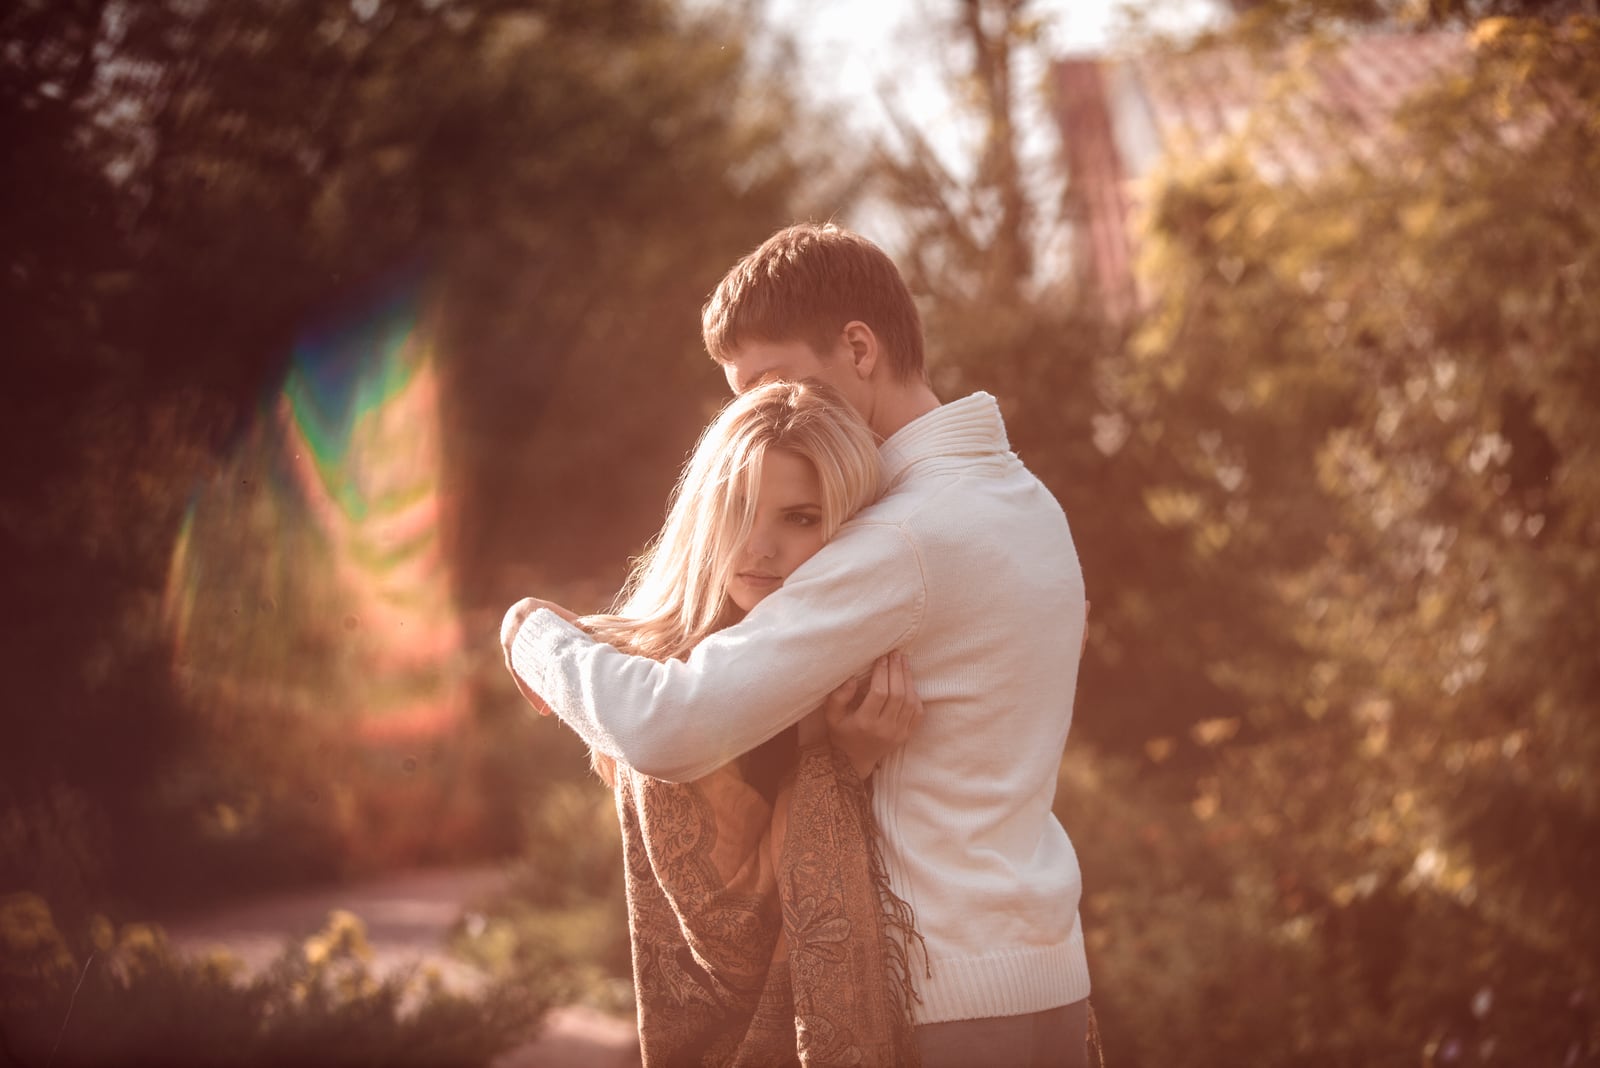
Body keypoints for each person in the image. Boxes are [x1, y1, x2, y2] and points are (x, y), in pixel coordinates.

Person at [503, 222, 1093, 1067]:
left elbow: (671, 729)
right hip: (1046, 981)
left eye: (770, 382)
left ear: (859, 347)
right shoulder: (1027, 502)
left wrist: (533, 638)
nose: (758, 415)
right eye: (739, 398)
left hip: (940, 1002)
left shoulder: (903, 538)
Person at [573, 378, 927, 1066]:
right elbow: (736, 942)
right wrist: (840, 766)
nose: (758, 547)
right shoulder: (675, 679)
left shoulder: (859, 661)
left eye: (801, 518)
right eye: (739, 509)